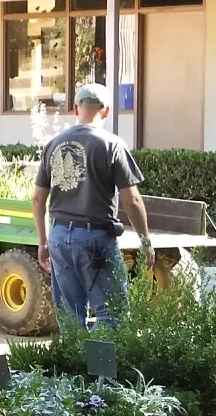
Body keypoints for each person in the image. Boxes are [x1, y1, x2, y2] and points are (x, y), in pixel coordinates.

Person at [31, 82, 153, 328]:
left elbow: (37, 199)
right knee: (112, 314)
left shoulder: (54, 144)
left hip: (59, 236)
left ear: (76, 108)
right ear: (106, 111)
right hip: (95, 237)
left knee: (70, 317)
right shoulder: (112, 145)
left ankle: (75, 366)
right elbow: (132, 200)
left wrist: (43, 241)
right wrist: (146, 242)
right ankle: (102, 365)